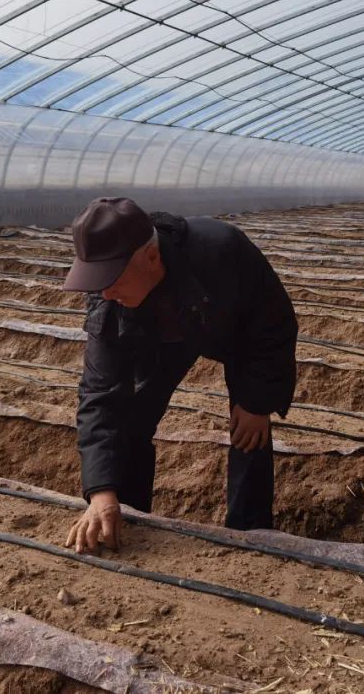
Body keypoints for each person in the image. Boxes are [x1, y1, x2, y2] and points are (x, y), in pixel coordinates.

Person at [60, 197, 298, 554]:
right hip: (158, 329)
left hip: (231, 326)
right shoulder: (110, 299)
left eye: (110, 279)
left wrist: (257, 401)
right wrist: (100, 491)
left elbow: (273, 326)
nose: (104, 291)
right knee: (132, 418)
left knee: (250, 428)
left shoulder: (222, 252)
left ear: (151, 259)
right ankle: (127, 514)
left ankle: (250, 533)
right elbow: (100, 392)